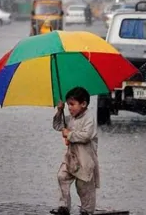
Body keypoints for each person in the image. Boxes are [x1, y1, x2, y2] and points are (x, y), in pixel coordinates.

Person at [51, 87, 100, 215]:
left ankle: (87, 211)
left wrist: (70, 134)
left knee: (84, 187)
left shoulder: (89, 118)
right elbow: (57, 125)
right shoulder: (70, 118)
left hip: (85, 159)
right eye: (68, 105)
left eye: (72, 104)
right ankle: (64, 206)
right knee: (62, 176)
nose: (70, 108)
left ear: (83, 104)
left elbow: (86, 136)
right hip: (71, 157)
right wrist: (59, 110)